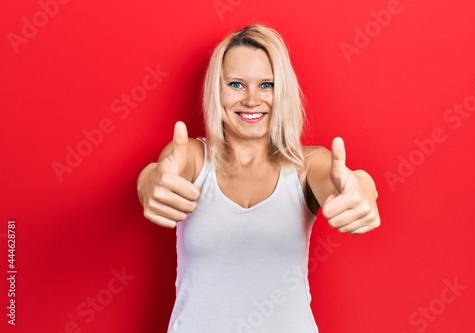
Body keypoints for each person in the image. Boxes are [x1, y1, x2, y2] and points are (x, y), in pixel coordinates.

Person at [137, 24, 380, 333]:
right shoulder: (192, 157)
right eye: (236, 85)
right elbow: (159, 177)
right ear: (217, 90)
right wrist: (147, 182)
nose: (252, 100)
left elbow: (343, 181)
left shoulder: (306, 165)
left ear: (283, 92)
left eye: (267, 85)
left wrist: (362, 187)